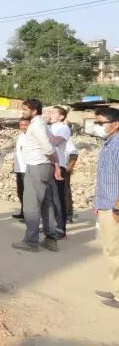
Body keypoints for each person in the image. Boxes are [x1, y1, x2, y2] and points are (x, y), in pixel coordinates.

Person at [12, 99, 63, 253]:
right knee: (46, 204)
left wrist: (56, 165)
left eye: (25, 109)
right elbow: (52, 144)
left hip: (37, 167)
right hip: (44, 167)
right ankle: (50, 239)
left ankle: (30, 241)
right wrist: (55, 165)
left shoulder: (36, 125)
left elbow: (48, 147)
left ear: (34, 111)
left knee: (31, 206)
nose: (23, 112)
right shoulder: (42, 124)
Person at [92, 107, 119, 309]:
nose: (97, 126)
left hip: (114, 206)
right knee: (110, 248)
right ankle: (115, 288)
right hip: (105, 203)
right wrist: (98, 203)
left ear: (115, 124)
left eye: (100, 123)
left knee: (115, 250)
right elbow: (105, 176)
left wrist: (117, 207)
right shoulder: (109, 144)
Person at [48, 106, 71, 237]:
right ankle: (51, 225)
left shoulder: (64, 128)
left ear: (61, 116)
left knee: (58, 199)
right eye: (50, 112)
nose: (50, 114)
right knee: (49, 199)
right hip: (47, 166)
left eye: (53, 112)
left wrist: (43, 131)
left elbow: (56, 142)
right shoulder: (49, 128)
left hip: (59, 166)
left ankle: (61, 229)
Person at [12, 119, 30, 220]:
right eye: (21, 125)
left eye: (25, 125)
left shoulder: (31, 137)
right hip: (19, 168)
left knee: (27, 193)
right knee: (20, 191)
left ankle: (28, 215)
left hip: (27, 169)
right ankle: (23, 212)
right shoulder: (21, 136)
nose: (23, 127)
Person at [64, 138, 79, 223]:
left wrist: (69, 167)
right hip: (52, 169)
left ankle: (68, 214)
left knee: (65, 192)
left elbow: (74, 153)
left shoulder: (65, 138)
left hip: (63, 169)